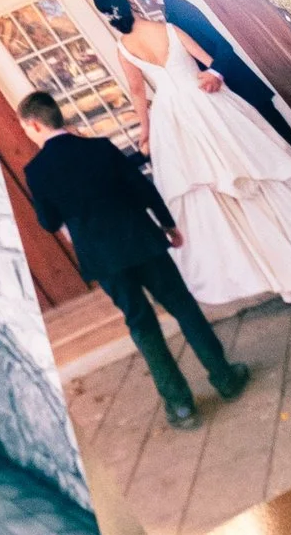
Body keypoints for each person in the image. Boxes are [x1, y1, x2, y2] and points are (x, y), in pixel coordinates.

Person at [91, 0, 291, 311]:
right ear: (128, 2)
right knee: (256, 171)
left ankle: (261, 271)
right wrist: (213, 77)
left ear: (107, 16)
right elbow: (208, 61)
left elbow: (137, 94)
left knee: (212, 190)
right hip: (210, 104)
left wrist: (144, 134)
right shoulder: (170, 29)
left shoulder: (124, 48)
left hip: (173, 118)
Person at [18, 91, 251, 428]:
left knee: (140, 323)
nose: (27, 133)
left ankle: (180, 405)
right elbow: (142, 189)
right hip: (141, 240)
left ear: (35, 124)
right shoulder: (100, 148)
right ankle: (225, 377)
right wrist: (168, 224)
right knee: (182, 306)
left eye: (25, 128)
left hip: (102, 258)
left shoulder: (36, 171)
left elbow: (48, 222)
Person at [98, 0, 291, 227]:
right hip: (217, 101)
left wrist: (215, 73)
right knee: (274, 161)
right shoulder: (166, 15)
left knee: (290, 153)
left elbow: (222, 46)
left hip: (241, 93)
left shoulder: (178, 7)